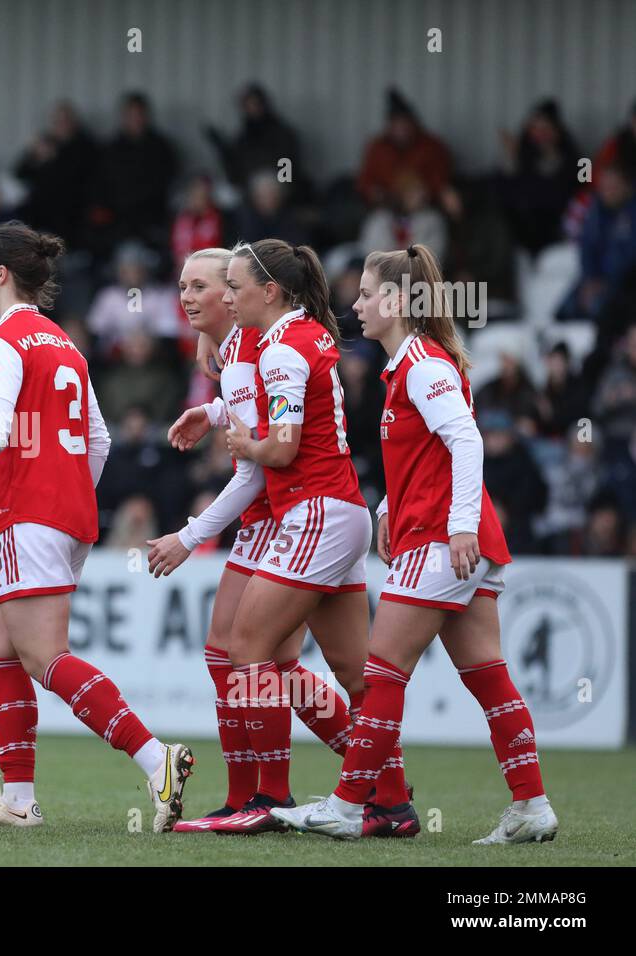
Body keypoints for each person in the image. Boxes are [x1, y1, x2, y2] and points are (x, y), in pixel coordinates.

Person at [272, 245, 557, 844]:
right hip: (455, 537)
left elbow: (467, 443)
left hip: (443, 540)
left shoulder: (422, 365)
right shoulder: (414, 364)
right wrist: (385, 505)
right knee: (487, 676)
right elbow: (427, 454)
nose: (357, 304)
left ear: (397, 301)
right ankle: (531, 806)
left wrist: (456, 526)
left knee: (380, 673)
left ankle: (350, 807)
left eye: (368, 293)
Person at [0, 220, 195, 832]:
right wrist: (69, 497)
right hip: (67, 516)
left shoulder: (0, 342)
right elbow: (96, 440)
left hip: (31, 515)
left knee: (45, 659)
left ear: (1, 275)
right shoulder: (63, 344)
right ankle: (18, 799)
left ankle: (159, 760)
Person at [146, 249, 364, 833]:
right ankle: (359, 780)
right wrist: (215, 409)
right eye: (181, 285)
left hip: (284, 514)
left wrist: (189, 536)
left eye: (202, 286)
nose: (187, 298)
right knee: (270, 663)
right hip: (292, 511)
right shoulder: (247, 346)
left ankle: (268, 795)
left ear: (237, 292)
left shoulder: (253, 347)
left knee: (245, 655)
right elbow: (255, 416)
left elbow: (260, 463)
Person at [219, 239, 410, 833]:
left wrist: (245, 443)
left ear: (269, 291)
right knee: (355, 674)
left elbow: (282, 446)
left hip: (315, 513)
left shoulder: (280, 349)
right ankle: (392, 803)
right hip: (342, 510)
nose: (228, 297)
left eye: (234, 286)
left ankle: (268, 798)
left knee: (245, 651)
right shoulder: (309, 334)